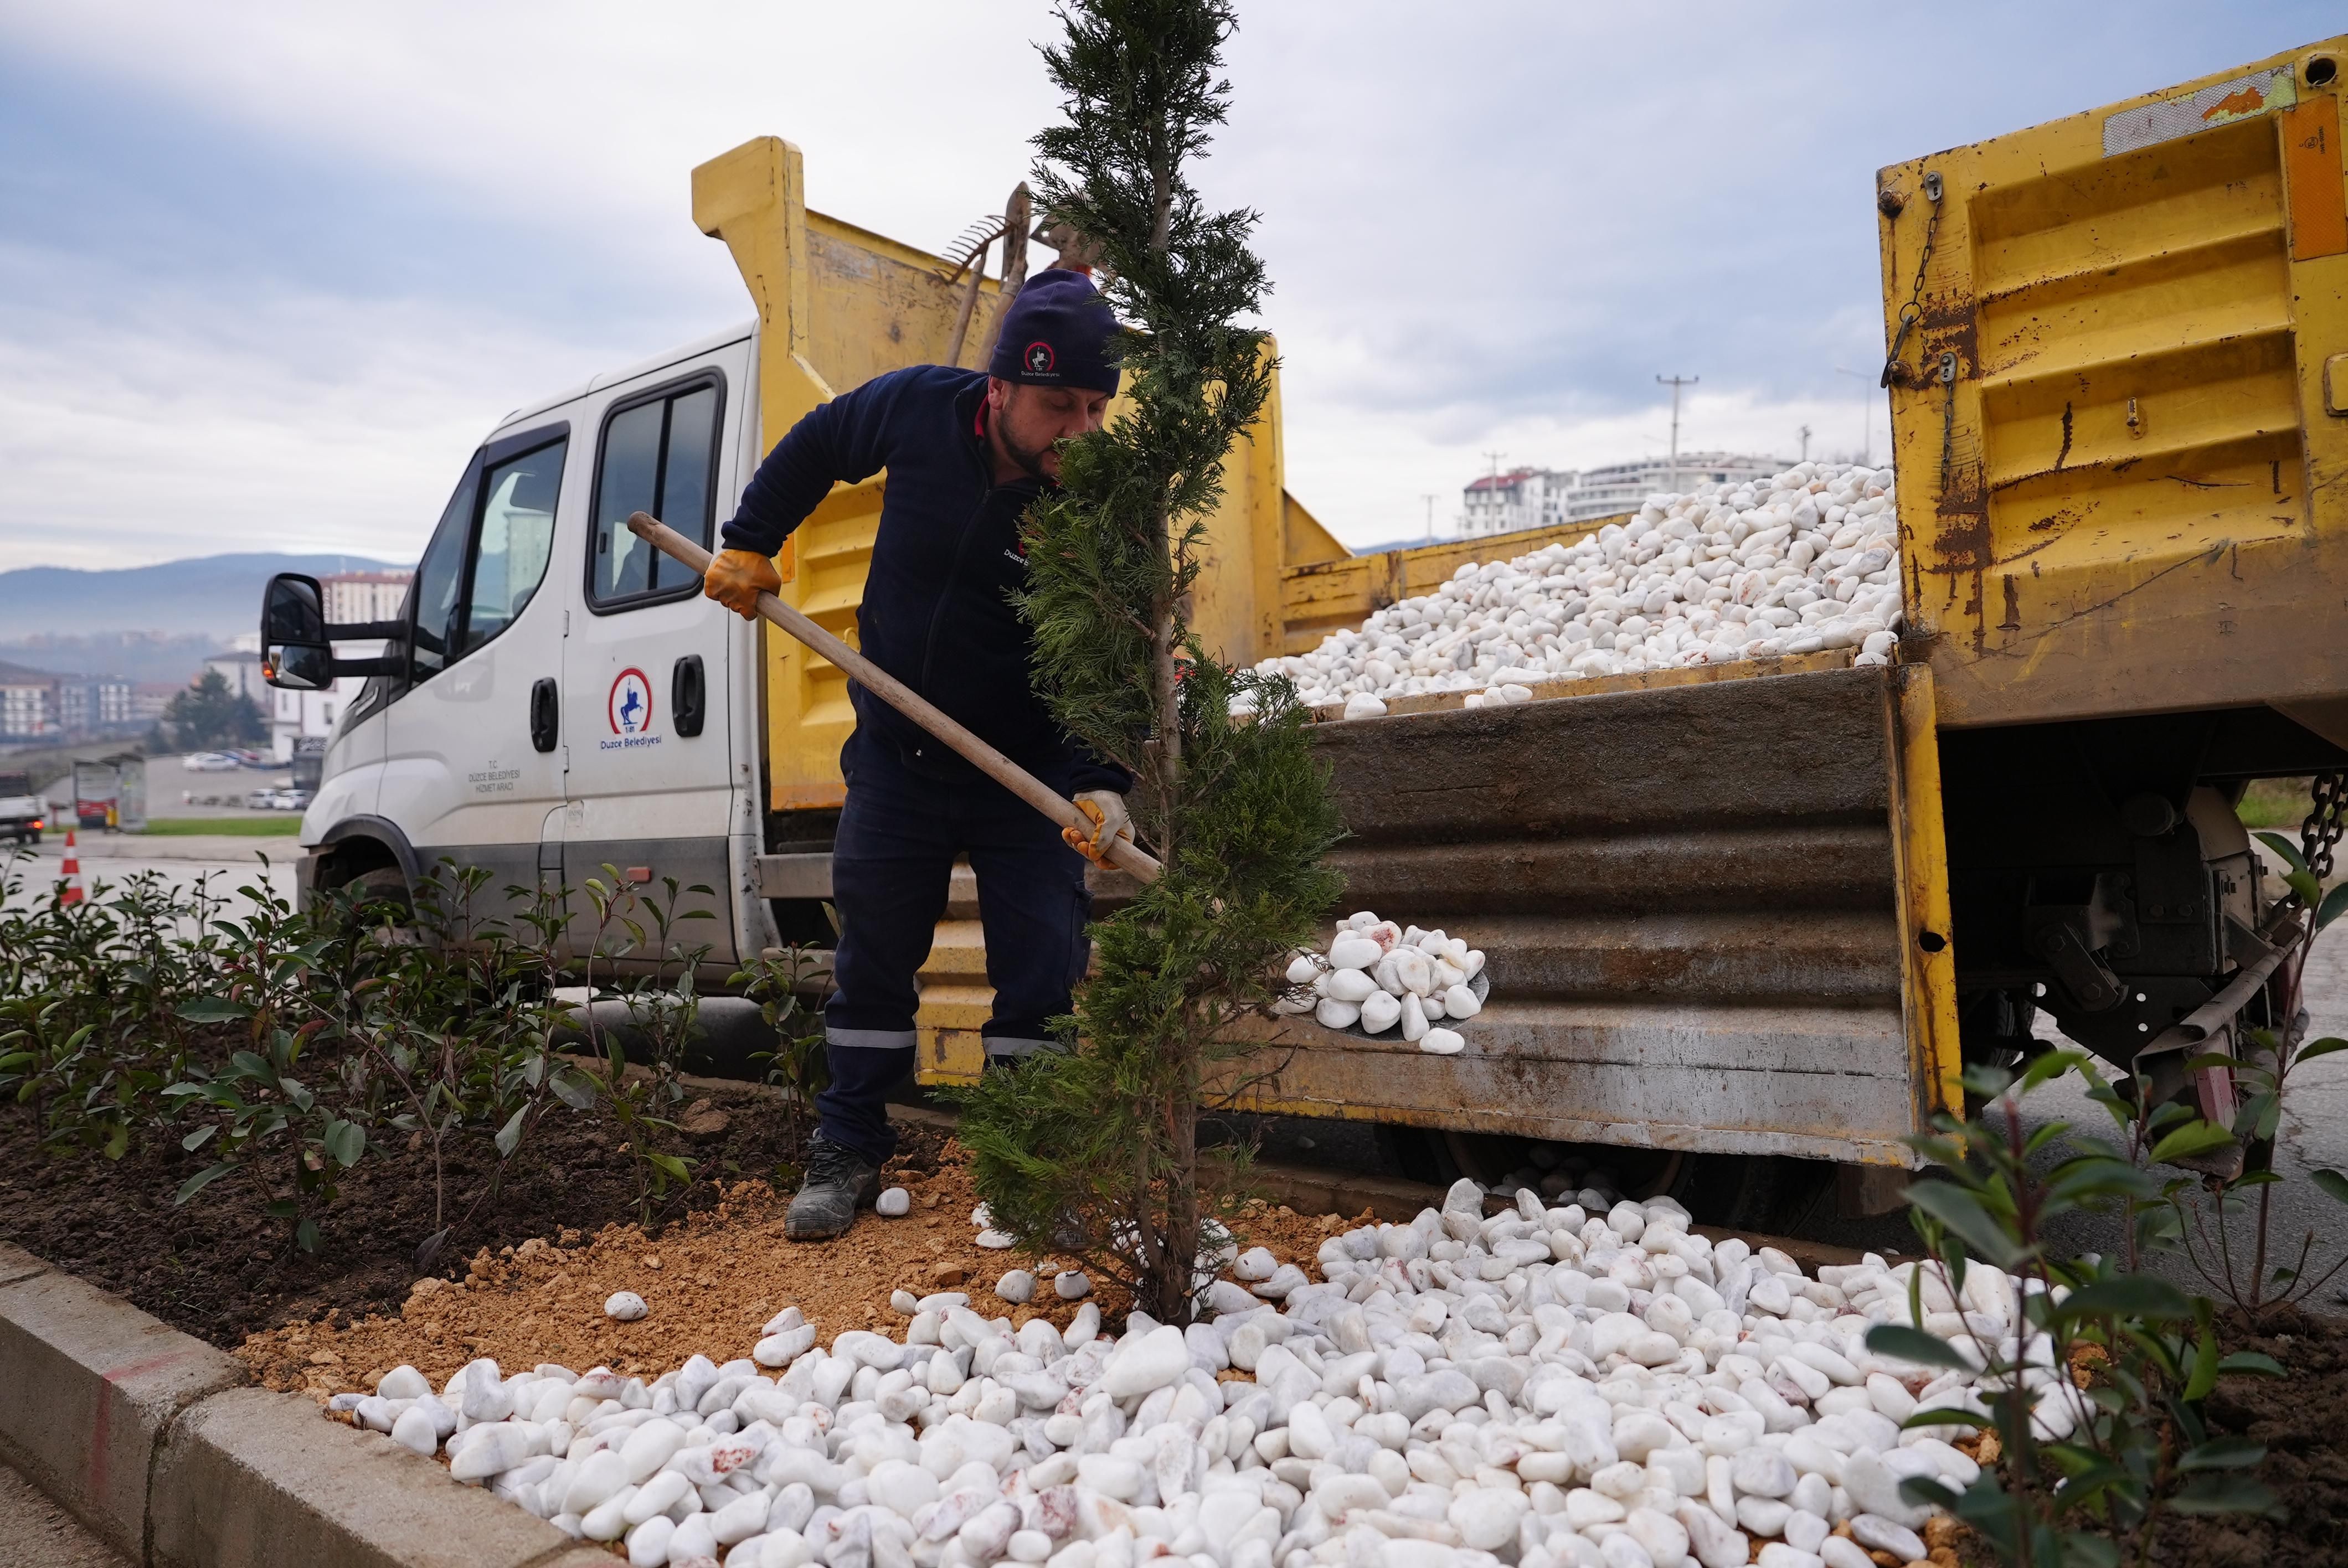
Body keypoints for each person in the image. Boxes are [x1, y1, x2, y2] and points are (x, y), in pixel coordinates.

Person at [703, 269, 1135, 1240]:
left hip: (1026, 777)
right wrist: (751, 541)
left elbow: (1113, 664)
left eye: (1097, 408)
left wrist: (1104, 780)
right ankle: (847, 1148)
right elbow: (818, 445)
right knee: (875, 965)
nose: (1081, 432)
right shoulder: (916, 409)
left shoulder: (1099, 506)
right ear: (998, 390)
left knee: (1039, 977)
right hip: (899, 758)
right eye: (1058, 406)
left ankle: (1027, 1169)